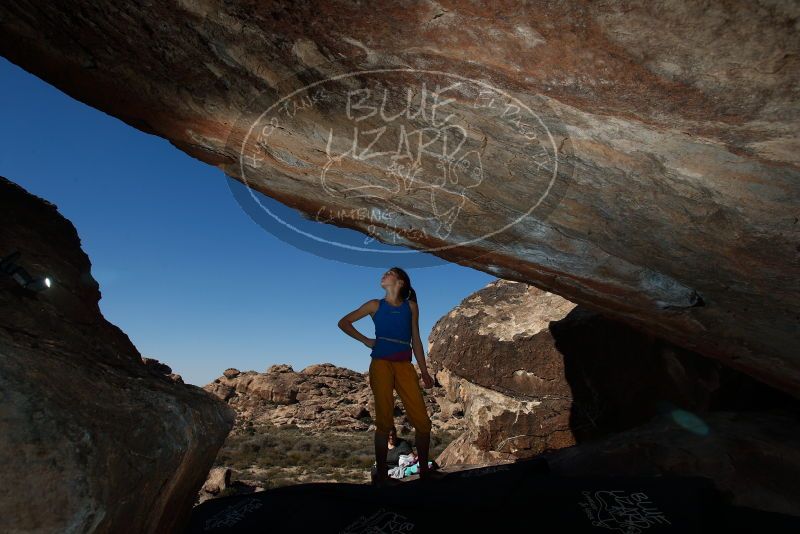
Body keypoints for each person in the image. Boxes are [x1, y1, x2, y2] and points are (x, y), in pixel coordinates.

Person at [338, 267, 446, 487]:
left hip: (405, 366)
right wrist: (366, 340)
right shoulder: (374, 305)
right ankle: (382, 476)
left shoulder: (411, 307)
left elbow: (415, 339)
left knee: (423, 422)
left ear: (401, 282)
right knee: (384, 421)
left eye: (389, 273)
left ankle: (424, 470)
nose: (383, 275)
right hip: (381, 365)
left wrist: (424, 371)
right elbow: (344, 322)